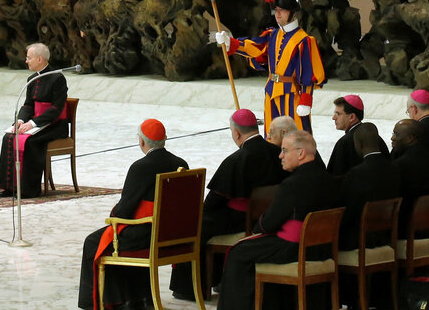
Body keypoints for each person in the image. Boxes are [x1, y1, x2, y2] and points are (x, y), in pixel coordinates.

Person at [169, 109, 284, 301]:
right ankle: (220, 279)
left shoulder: (236, 159)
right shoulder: (277, 151)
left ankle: (191, 288)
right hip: (267, 217)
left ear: (237, 133)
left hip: (239, 219)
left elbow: (214, 200)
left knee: (195, 226)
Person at [217, 131, 337, 310]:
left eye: (284, 151)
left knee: (238, 252)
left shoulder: (293, 183)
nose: (280, 156)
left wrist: (258, 228)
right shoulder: (329, 179)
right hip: (320, 249)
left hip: (293, 248)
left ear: (301, 153)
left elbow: (269, 224)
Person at [78, 119, 189, 310]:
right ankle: (139, 299)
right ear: (164, 139)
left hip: (147, 234)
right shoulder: (181, 163)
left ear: (142, 142)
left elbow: (125, 210)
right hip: (173, 234)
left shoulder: (141, 167)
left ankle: (108, 303)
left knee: (93, 242)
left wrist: (114, 215)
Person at [216, 0, 326, 136]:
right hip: (271, 91)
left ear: (292, 13)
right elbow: (256, 48)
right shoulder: (272, 35)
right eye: (276, 10)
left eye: (282, 10)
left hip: (291, 93)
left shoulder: (304, 40)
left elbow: (308, 73)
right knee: (272, 134)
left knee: (295, 135)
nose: (278, 14)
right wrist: (231, 43)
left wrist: (306, 100)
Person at [337, 123, 400, 309]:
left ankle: (344, 299)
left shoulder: (357, 174)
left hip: (358, 240)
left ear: (359, 144)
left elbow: (345, 211)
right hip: (384, 236)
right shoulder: (394, 169)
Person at [0, 43, 68, 199]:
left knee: (31, 142)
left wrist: (33, 123)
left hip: (53, 125)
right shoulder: (32, 79)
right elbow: (28, 104)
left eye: (29, 58)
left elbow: (57, 108)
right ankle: (10, 186)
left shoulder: (58, 78)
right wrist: (20, 120)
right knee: (9, 137)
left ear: (40, 59)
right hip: (36, 123)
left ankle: (28, 189)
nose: (26, 61)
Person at [391, 119, 429, 234]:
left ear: (410, 138)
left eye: (396, 134)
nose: (392, 138)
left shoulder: (400, 165)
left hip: (406, 228)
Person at [327, 95, 388, 176]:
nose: (333, 118)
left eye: (338, 114)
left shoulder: (344, 142)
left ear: (352, 117)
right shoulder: (374, 137)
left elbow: (335, 176)